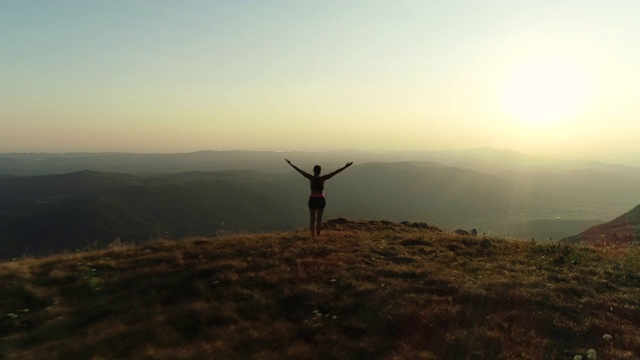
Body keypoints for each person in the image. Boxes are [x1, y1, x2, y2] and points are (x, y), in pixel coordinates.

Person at [285, 159, 353, 237]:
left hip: (312, 199)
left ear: (313, 170)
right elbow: (336, 172)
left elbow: (300, 171)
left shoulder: (310, 178)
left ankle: (312, 235)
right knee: (319, 219)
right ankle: (318, 235)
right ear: (320, 171)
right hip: (321, 199)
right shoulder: (323, 179)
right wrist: (345, 166)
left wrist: (290, 164)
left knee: (312, 219)